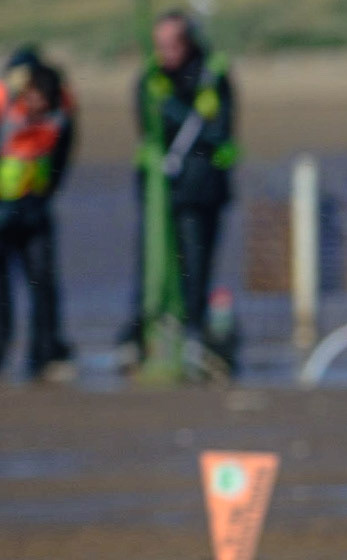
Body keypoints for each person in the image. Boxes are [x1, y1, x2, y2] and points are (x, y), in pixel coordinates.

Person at [117, 10, 237, 372]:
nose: (166, 52)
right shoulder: (150, 80)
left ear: (189, 42)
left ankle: (195, 336)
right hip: (159, 193)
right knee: (151, 267)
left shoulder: (212, 75)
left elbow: (222, 130)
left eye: (174, 44)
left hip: (202, 191)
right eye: (160, 45)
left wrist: (177, 114)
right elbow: (146, 129)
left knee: (195, 267)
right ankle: (142, 336)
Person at [0, 49, 76, 381]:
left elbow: (62, 156)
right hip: (3, 211)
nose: (38, 106)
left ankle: (45, 355)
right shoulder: (5, 106)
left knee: (43, 283)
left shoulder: (60, 113)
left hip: (35, 209)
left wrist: (48, 192)